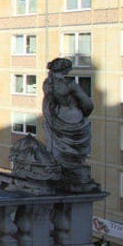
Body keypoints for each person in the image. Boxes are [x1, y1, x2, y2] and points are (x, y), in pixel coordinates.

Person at [41, 57, 94, 189]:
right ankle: (72, 171)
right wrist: (84, 114)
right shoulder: (69, 84)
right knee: (76, 148)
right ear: (67, 69)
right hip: (72, 116)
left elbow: (49, 103)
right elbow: (87, 103)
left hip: (57, 116)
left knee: (58, 146)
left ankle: (60, 168)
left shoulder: (48, 83)